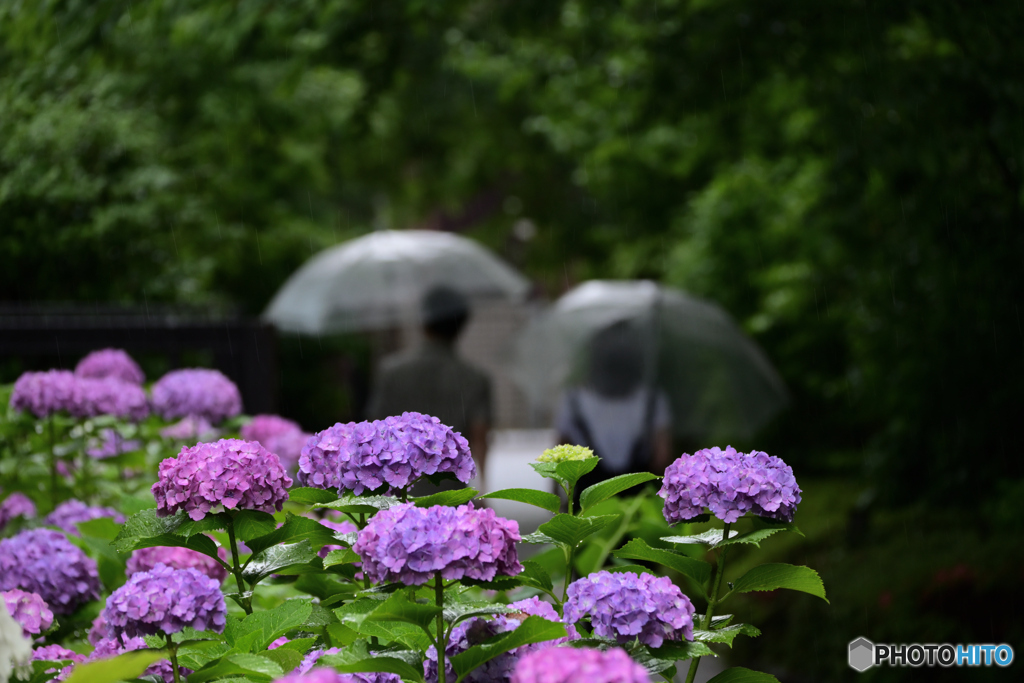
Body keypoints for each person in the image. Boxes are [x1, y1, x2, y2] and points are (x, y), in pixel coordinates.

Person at [365, 286, 493, 487]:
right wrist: (484, 488)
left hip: (400, 488)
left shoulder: (390, 372)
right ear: (461, 328)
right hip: (450, 489)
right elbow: (480, 436)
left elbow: (374, 428)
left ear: (423, 324)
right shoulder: (476, 378)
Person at [553, 321, 672, 499]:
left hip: (588, 506)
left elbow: (559, 457)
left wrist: (557, 498)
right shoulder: (652, 399)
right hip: (637, 505)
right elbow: (662, 458)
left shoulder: (574, 399)